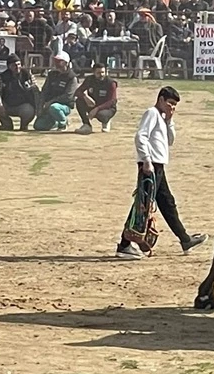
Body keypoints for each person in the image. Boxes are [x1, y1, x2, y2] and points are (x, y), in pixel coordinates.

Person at [116, 86, 206, 258]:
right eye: (170, 103)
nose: (172, 107)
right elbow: (140, 137)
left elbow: (169, 141)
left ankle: (185, 239)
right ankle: (124, 244)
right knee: (142, 205)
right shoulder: (151, 113)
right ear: (161, 100)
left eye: (175, 105)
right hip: (151, 165)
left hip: (158, 166)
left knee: (167, 203)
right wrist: (146, 161)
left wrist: (169, 121)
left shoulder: (161, 118)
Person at [0, 53, 39, 131]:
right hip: (7, 105)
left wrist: (38, 107)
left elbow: (35, 91)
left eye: (19, 64)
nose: (17, 67)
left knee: (29, 110)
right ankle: (7, 124)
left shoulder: (27, 74)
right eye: (14, 65)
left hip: (23, 105)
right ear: (9, 66)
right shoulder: (2, 76)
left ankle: (24, 126)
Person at [35, 52, 78, 131]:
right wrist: (40, 106)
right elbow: (44, 91)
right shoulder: (51, 74)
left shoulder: (72, 77)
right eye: (56, 61)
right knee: (38, 126)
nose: (57, 63)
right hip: (48, 104)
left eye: (60, 61)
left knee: (54, 107)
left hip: (64, 106)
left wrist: (51, 102)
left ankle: (63, 124)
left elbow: (68, 96)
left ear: (66, 63)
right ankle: (56, 122)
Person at [75, 63, 118, 133]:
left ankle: (106, 121)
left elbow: (112, 101)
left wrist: (97, 109)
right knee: (79, 101)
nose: (101, 75)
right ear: (93, 72)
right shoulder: (89, 80)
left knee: (101, 115)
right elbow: (77, 92)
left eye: (103, 72)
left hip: (107, 108)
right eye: (98, 73)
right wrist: (85, 97)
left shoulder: (111, 83)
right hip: (93, 104)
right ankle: (86, 125)